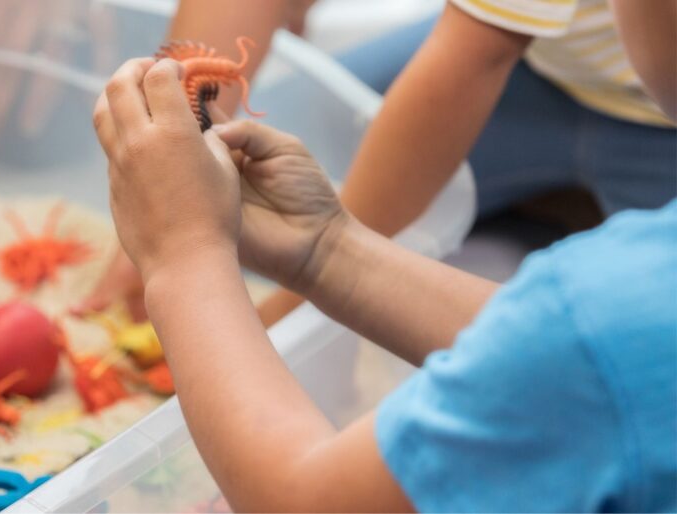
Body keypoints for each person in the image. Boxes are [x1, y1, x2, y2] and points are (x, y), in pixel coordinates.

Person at [89, 3, 677, 507]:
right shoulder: (617, 303)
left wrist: (183, 256)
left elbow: (304, 502)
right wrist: (327, 249)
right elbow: (569, 351)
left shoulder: (601, 318)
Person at [74, 0, 677, 324]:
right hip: (540, 61)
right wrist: (166, 185)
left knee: (644, 327)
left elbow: (470, 60)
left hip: (655, 99)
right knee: (298, 134)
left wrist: (301, 301)